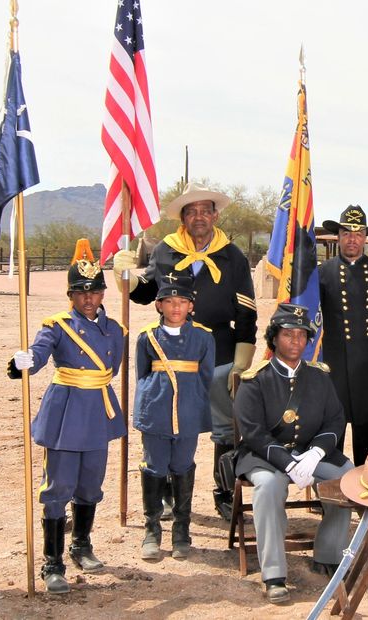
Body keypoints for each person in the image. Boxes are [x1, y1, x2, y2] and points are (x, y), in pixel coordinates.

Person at [114, 182, 257, 521]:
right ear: (183, 218)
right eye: (191, 212)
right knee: (170, 422)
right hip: (171, 354)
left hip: (220, 353)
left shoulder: (232, 256)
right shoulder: (166, 250)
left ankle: (224, 493)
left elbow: (247, 310)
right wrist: (127, 278)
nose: (199, 217)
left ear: (215, 215)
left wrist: (242, 357)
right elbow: (148, 292)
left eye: (205, 210)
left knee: (225, 429)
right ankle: (166, 496)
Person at [8, 239, 127, 593]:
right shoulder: (56, 325)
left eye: (94, 291)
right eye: (81, 292)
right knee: (58, 487)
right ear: (70, 296)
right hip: (66, 411)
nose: (88, 298)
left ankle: (82, 545)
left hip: (98, 411)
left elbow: (113, 368)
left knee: (91, 484)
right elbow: (41, 352)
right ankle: (52, 562)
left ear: (103, 293)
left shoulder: (116, 330)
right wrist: (23, 363)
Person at [232, 303, 353, 605]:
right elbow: (254, 434)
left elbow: (335, 420)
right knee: (270, 486)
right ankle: (273, 575)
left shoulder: (319, 376)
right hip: (265, 456)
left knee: (346, 478)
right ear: (274, 338)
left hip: (309, 451)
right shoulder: (254, 379)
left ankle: (327, 554)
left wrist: (315, 454)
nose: (296, 341)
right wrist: (288, 463)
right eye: (288, 335)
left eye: (302, 335)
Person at [133, 271, 215, 561]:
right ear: (159, 305)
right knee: (154, 466)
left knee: (182, 465)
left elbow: (206, 378)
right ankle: (152, 530)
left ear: (191, 306)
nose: (176, 307)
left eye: (182, 301)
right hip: (155, 413)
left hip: (188, 413)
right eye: (169, 301)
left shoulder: (204, 338)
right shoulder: (146, 338)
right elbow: (142, 375)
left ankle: (181, 530)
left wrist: (192, 406)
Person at [317, 205, 368, 465]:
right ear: (338, 236)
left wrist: (367, 342)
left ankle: (367, 491)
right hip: (333, 363)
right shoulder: (321, 274)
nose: (352, 239)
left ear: (365, 237)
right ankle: (331, 494)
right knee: (332, 429)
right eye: (346, 233)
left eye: (358, 233)